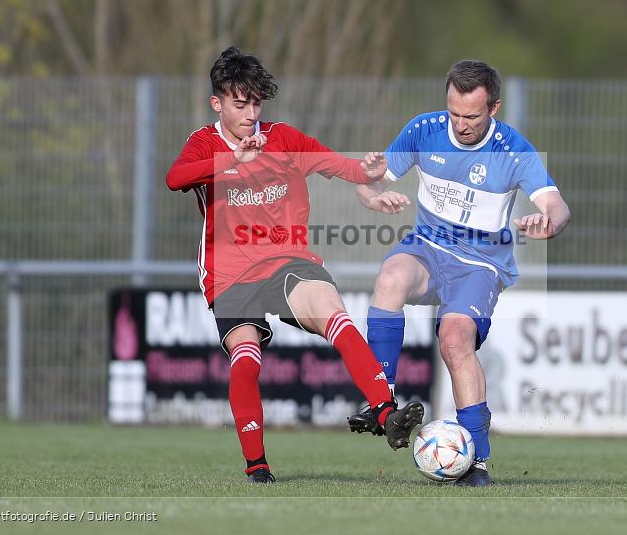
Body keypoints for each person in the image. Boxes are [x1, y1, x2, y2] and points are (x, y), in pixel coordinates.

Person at [166, 46, 424, 484]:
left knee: (333, 312)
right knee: (246, 359)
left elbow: (335, 164)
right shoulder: (203, 144)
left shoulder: (283, 138)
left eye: (255, 103)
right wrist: (233, 163)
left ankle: (385, 412)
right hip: (230, 274)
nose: (249, 114)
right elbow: (175, 178)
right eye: (239, 103)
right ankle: (258, 466)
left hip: (287, 259)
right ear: (218, 103)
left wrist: (369, 180)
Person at [348, 60, 571, 486]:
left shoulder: (513, 150)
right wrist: (372, 196)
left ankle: (478, 462)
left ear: (495, 108)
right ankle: (382, 401)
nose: (461, 124)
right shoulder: (423, 130)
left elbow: (557, 207)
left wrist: (548, 223)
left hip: (481, 262)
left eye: (471, 116)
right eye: (454, 113)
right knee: (391, 277)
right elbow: (366, 177)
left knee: (454, 340)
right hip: (429, 247)